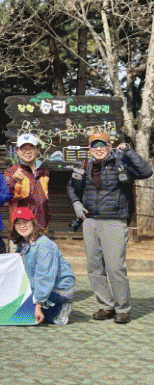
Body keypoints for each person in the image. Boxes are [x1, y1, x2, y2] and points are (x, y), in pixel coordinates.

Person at [67, 132, 152, 324]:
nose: (98, 149)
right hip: (90, 220)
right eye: (94, 145)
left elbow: (146, 172)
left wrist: (129, 151)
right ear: (90, 148)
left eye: (102, 144)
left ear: (109, 146)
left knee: (115, 267)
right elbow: (71, 187)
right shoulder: (83, 165)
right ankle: (105, 305)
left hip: (114, 220)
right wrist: (76, 203)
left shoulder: (121, 161)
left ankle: (123, 309)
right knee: (94, 267)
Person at [11, 207, 75, 325]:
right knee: (17, 309)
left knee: (26, 314)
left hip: (59, 288)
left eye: (25, 222)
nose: (22, 226)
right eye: (18, 223)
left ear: (33, 223)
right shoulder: (23, 244)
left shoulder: (43, 244)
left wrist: (38, 305)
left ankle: (58, 311)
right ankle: (50, 310)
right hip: (39, 286)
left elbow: (45, 277)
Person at [4, 133, 50, 230]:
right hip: (21, 227)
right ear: (17, 150)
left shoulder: (44, 171)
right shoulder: (11, 172)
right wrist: (14, 180)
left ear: (37, 149)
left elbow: (44, 199)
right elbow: (7, 196)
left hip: (41, 225)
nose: (27, 152)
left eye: (31, 148)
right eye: (23, 149)